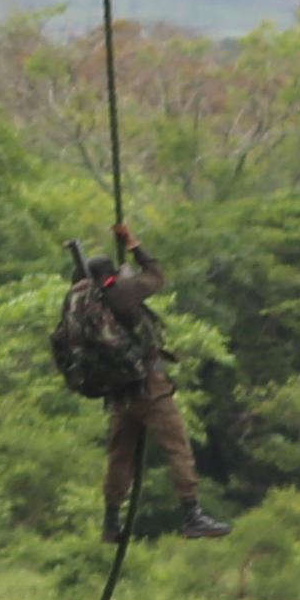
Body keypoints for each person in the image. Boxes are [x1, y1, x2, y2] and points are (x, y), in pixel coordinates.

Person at [52, 217, 226, 542]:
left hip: (117, 392)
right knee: (178, 449)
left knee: (120, 457)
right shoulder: (120, 294)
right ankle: (192, 515)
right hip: (149, 388)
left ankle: (111, 523)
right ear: (110, 278)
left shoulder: (80, 305)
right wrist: (134, 246)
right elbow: (156, 276)